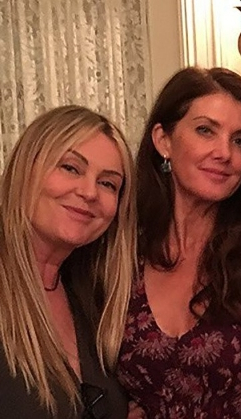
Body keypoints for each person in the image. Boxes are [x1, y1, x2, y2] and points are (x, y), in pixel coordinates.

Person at [116, 67, 241, 418]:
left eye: (240, 141)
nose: (224, 152)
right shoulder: (123, 255)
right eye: (205, 131)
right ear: (163, 140)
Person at [0, 105, 135, 418]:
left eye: (108, 184)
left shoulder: (91, 297)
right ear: (26, 166)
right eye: (71, 168)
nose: (89, 192)